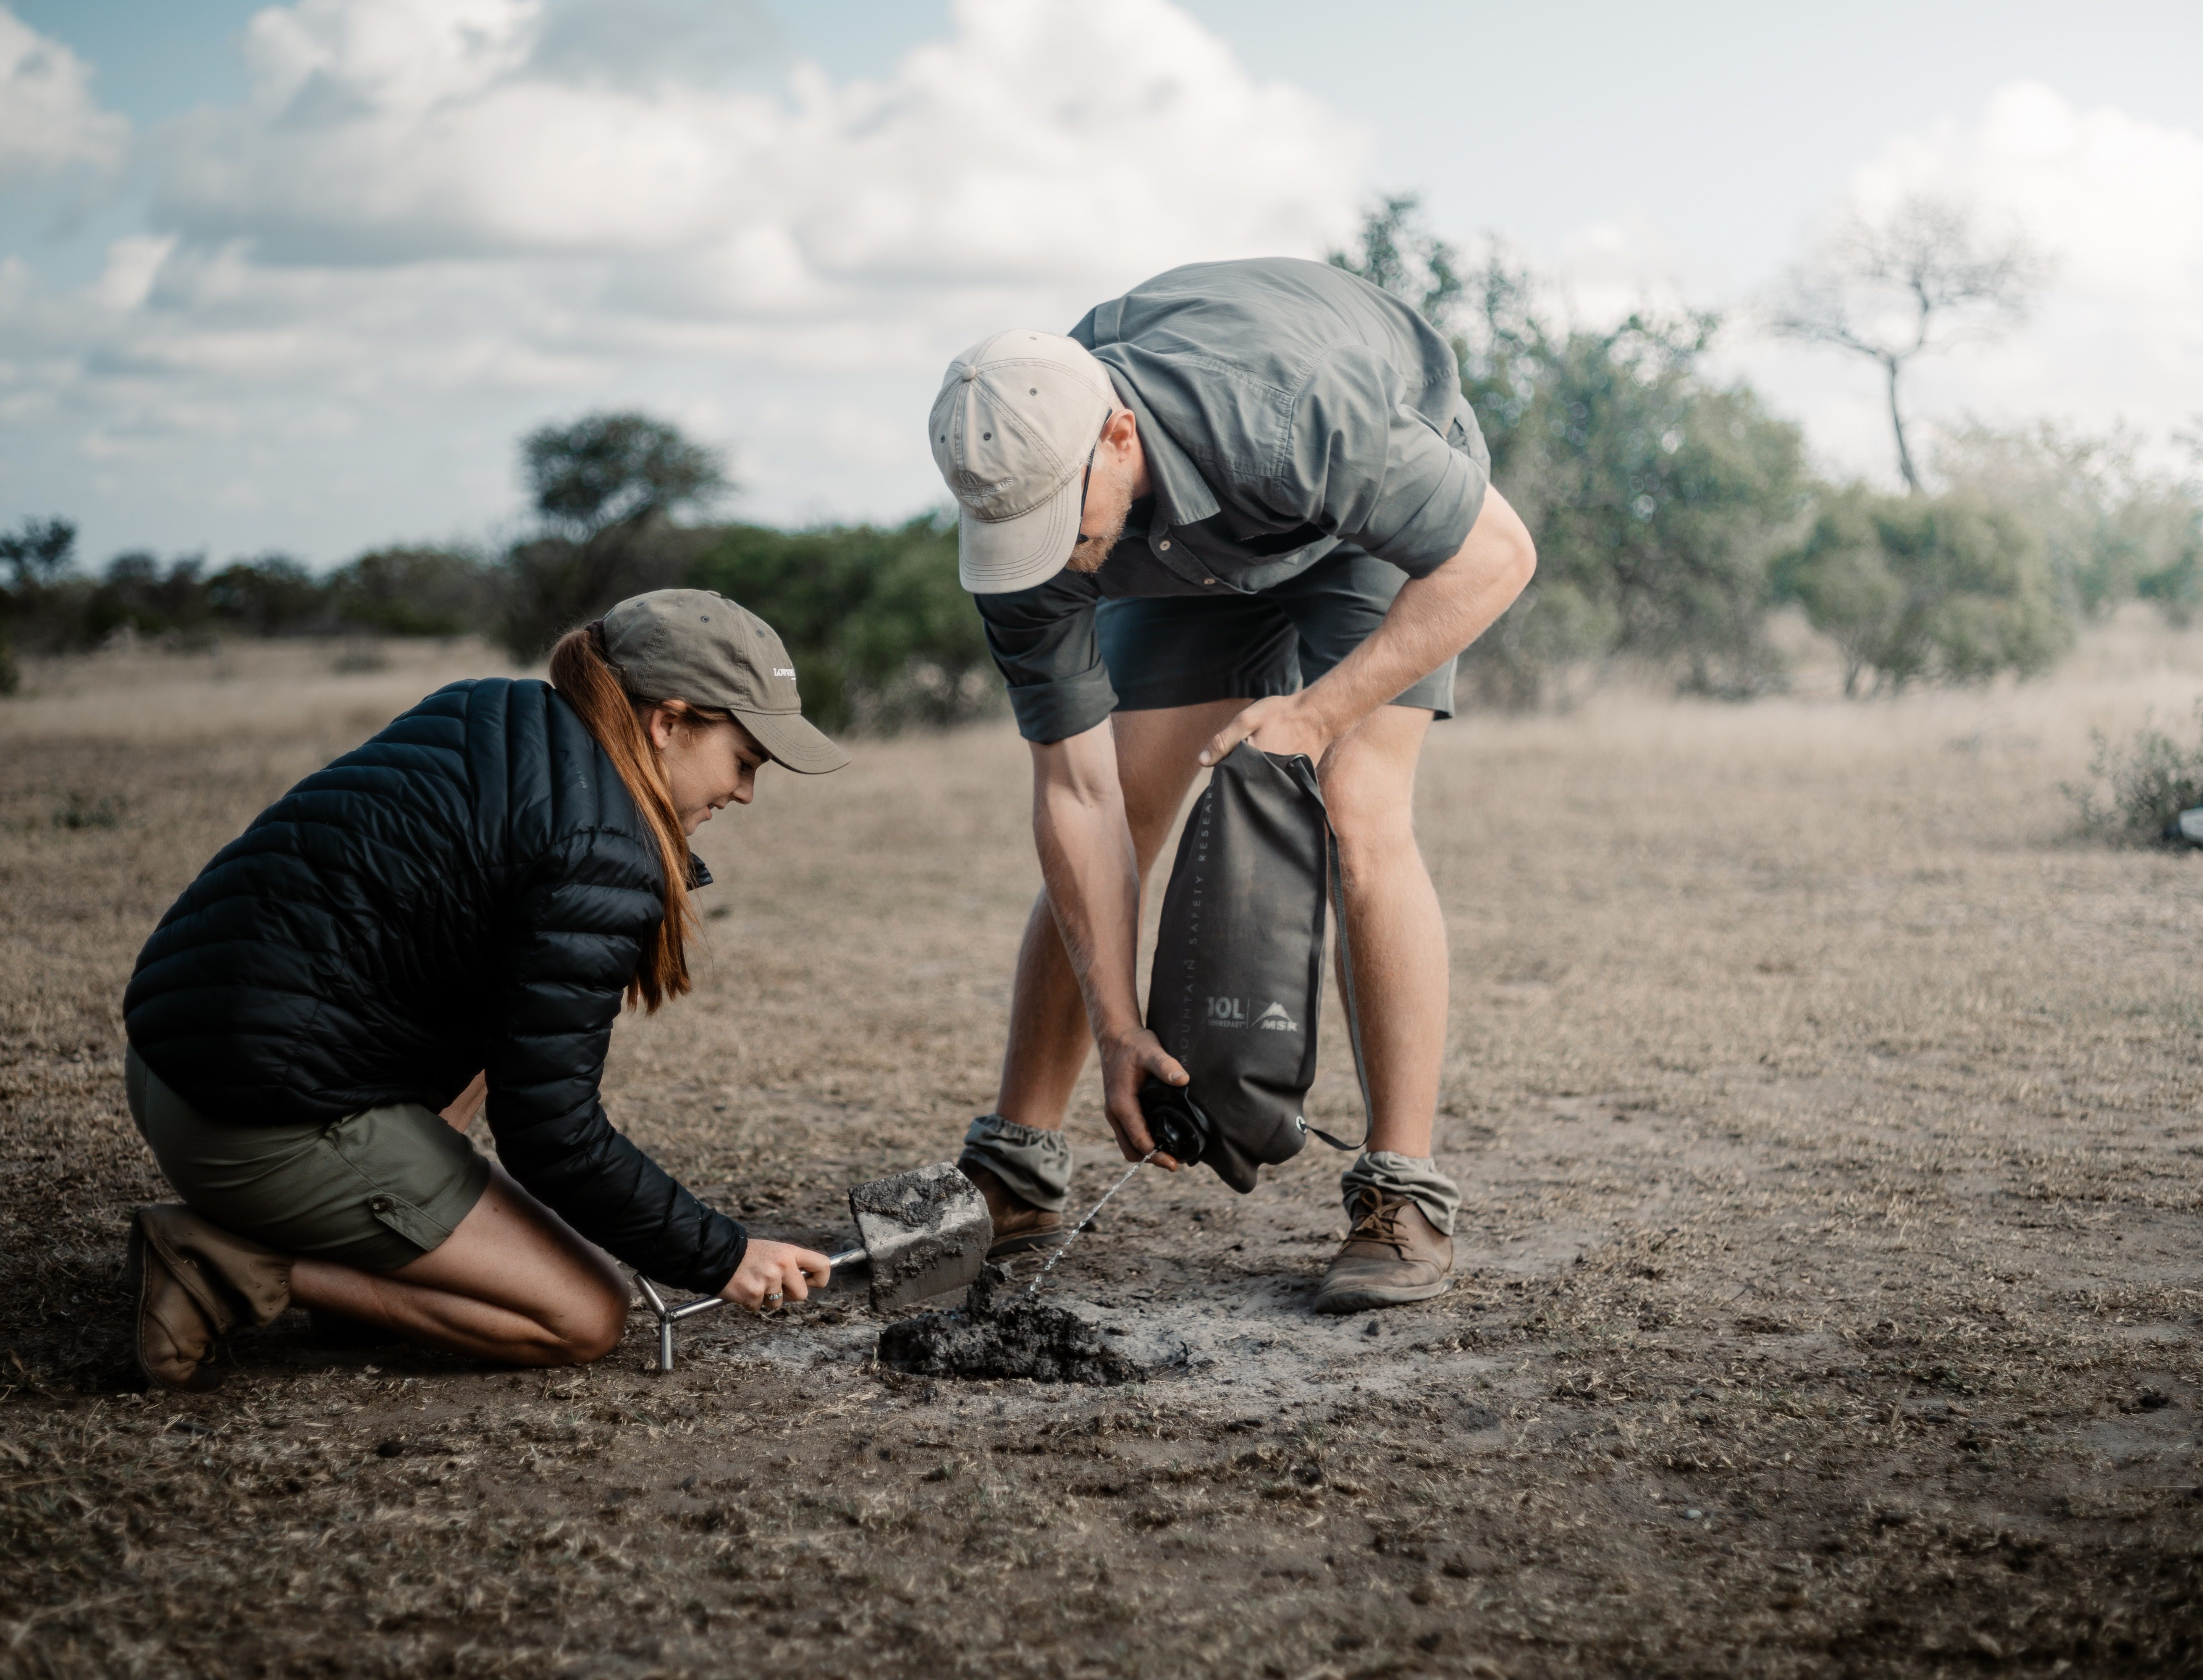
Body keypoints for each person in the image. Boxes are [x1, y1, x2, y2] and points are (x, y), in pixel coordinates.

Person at [927, 257, 1537, 1314]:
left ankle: (1403, 1191)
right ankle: (1017, 1171)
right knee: (1132, 788)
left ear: (1118, 435)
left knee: (1357, 807)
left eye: (1061, 524)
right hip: (1184, 546)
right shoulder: (1023, 508)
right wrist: (1121, 1026)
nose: (1054, 558)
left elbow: (1497, 556)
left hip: (1361, 522)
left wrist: (1312, 717)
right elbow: (1078, 798)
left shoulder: (1288, 412)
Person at [117, 589, 848, 1390]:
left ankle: (369, 1261)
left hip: (174, 1069)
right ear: (668, 724)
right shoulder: (600, 844)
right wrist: (724, 1253)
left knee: (505, 1026)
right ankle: (229, 1265)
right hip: (251, 1124)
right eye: (745, 761)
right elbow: (550, 1132)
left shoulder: (493, 713)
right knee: (582, 1315)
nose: (745, 792)